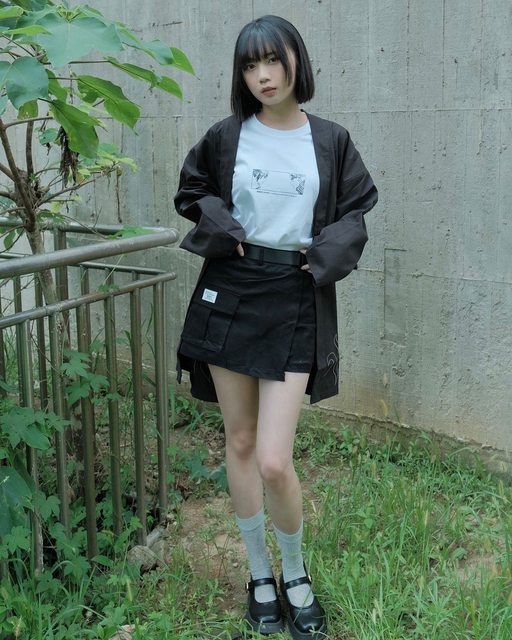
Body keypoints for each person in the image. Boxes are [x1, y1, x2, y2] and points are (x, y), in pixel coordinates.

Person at [174, 15, 378, 639]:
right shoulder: (227, 135)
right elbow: (193, 191)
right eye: (250, 65)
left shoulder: (331, 140)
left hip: (293, 297)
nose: (263, 75)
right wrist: (224, 229)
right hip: (231, 292)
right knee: (238, 442)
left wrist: (324, 254)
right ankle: (259, 573)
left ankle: (295, 571)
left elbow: (357, 209)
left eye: (272, 60)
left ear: (296, 63)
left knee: (272, 460)